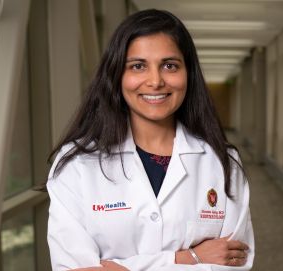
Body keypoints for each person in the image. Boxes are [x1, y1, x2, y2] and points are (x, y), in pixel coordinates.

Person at [45, 9, 254, 271]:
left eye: (170, 66)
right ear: (117, 76)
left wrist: (121, 267)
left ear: (188, 73)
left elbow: (233, 264)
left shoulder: (223, 163)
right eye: (138, 66)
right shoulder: (77, 165)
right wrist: (186, 258)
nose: (155, 81)